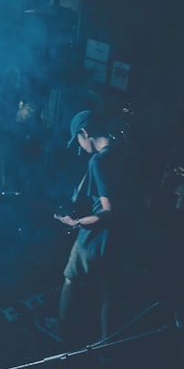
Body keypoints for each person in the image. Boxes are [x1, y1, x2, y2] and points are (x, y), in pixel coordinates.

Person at [36, 109, 133, 346]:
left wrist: (77, 222)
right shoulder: (123, 149)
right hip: (120, 236)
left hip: (96, 237)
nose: (79, 146)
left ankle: (61, 326)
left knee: (71, 278)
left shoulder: (98, 161)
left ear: (85, 132)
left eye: (78, 139)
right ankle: (106, 342)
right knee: (108, 289)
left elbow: (108, 210)